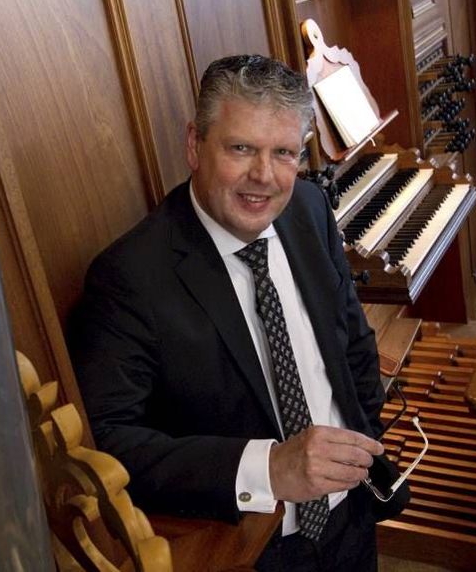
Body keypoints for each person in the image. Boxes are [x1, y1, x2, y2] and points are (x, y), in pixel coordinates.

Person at [69, 54, 408, 571]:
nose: (264, 177)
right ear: (194, 146)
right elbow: (108, 445)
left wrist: (368, 442)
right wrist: (267, 468)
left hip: (350, 515)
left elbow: (351, 341)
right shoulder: (130, 276)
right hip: (249, 545)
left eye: (284, 153)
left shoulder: (309, 209)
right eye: (241, 148)